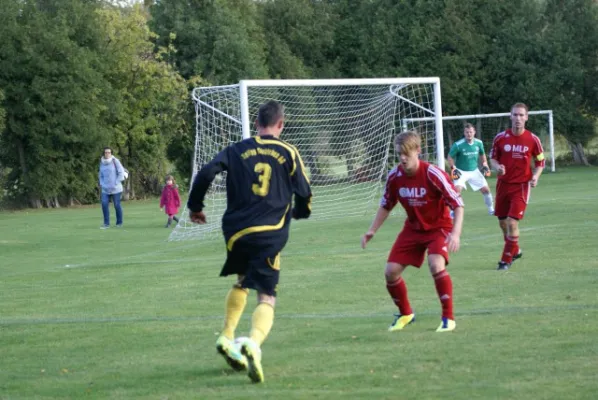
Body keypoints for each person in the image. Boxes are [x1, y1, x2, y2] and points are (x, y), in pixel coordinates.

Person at [187, 100, 312, 383]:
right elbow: (304, 190)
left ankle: (226, 336)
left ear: (256, 124)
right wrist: (302, 212)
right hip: (269, 232)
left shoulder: (237, 149)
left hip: (236, 232)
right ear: (281, 124)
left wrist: (195, 206)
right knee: (267, 295)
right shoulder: (288, 151)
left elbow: (206, 172)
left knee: (243, 280)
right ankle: (252, 344)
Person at [361, 131, 464, 333]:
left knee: (436, 265)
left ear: (418, 151)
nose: (402, 158)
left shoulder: (432, 173)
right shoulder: (395, 176)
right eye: (399, 153)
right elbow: (386, 204)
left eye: (407, 153)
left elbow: (458, 204)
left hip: (439, 227)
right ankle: (406, 313)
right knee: (390, 272)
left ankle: (448, 318)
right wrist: (371, 230)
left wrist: (456, 234)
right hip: (413, 228)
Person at [489, 103, 545, 270]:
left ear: (526, 117)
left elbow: (540, 161)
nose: (518, 118)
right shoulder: (500, 138)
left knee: (512, 222)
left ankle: (505, 260)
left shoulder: (533, 139)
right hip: (502, 186)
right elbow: (493, 158)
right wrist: (497, 167)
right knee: (503, 223)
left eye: (521, 115)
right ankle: (515, 249)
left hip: (521, 186)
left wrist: (535, 176)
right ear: (510, 116)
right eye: (515, 115)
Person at [447, 123, 494, 215]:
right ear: (464, 133)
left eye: (471, 132)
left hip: (474, 171)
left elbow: (482, 154)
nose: (469, 134)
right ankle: (453, 211)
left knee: (486, 190)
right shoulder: (458, 144)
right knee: (457, 190)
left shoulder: (479, 143)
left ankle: (491, 209)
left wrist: (485, 164)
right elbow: (450, 157)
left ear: (474, 132)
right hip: (461, 171)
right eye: (467, 132)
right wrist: (453, 168)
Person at [98, 147, 125, 229]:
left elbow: (121, 173)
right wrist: (102, 184)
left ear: (111, 153)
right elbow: (101, 175)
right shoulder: (102, 163)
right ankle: (106, 224)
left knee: (117, 205)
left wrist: (116, 183)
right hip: (105, 189)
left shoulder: (115, 161)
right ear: (104, 153)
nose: (107, 154)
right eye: (106, 152)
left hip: (116, 188)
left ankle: (119, 223)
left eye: (109, 152)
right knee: (104, 204)